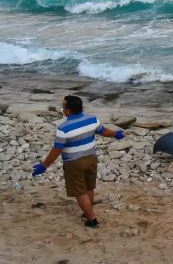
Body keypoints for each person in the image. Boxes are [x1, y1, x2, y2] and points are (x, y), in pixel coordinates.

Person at [32, 95, 125, 228]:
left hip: (74, 163)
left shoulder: (63, 128)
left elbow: (57, 150)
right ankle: (87, 213)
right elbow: (103, 131)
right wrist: (116, 134)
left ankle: (92, 219)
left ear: (68, 111)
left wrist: (44, 165)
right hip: (91, 158)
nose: (62, 108)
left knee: (80, 192)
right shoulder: (92, 119)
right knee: (89, 187)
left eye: (63, 106)